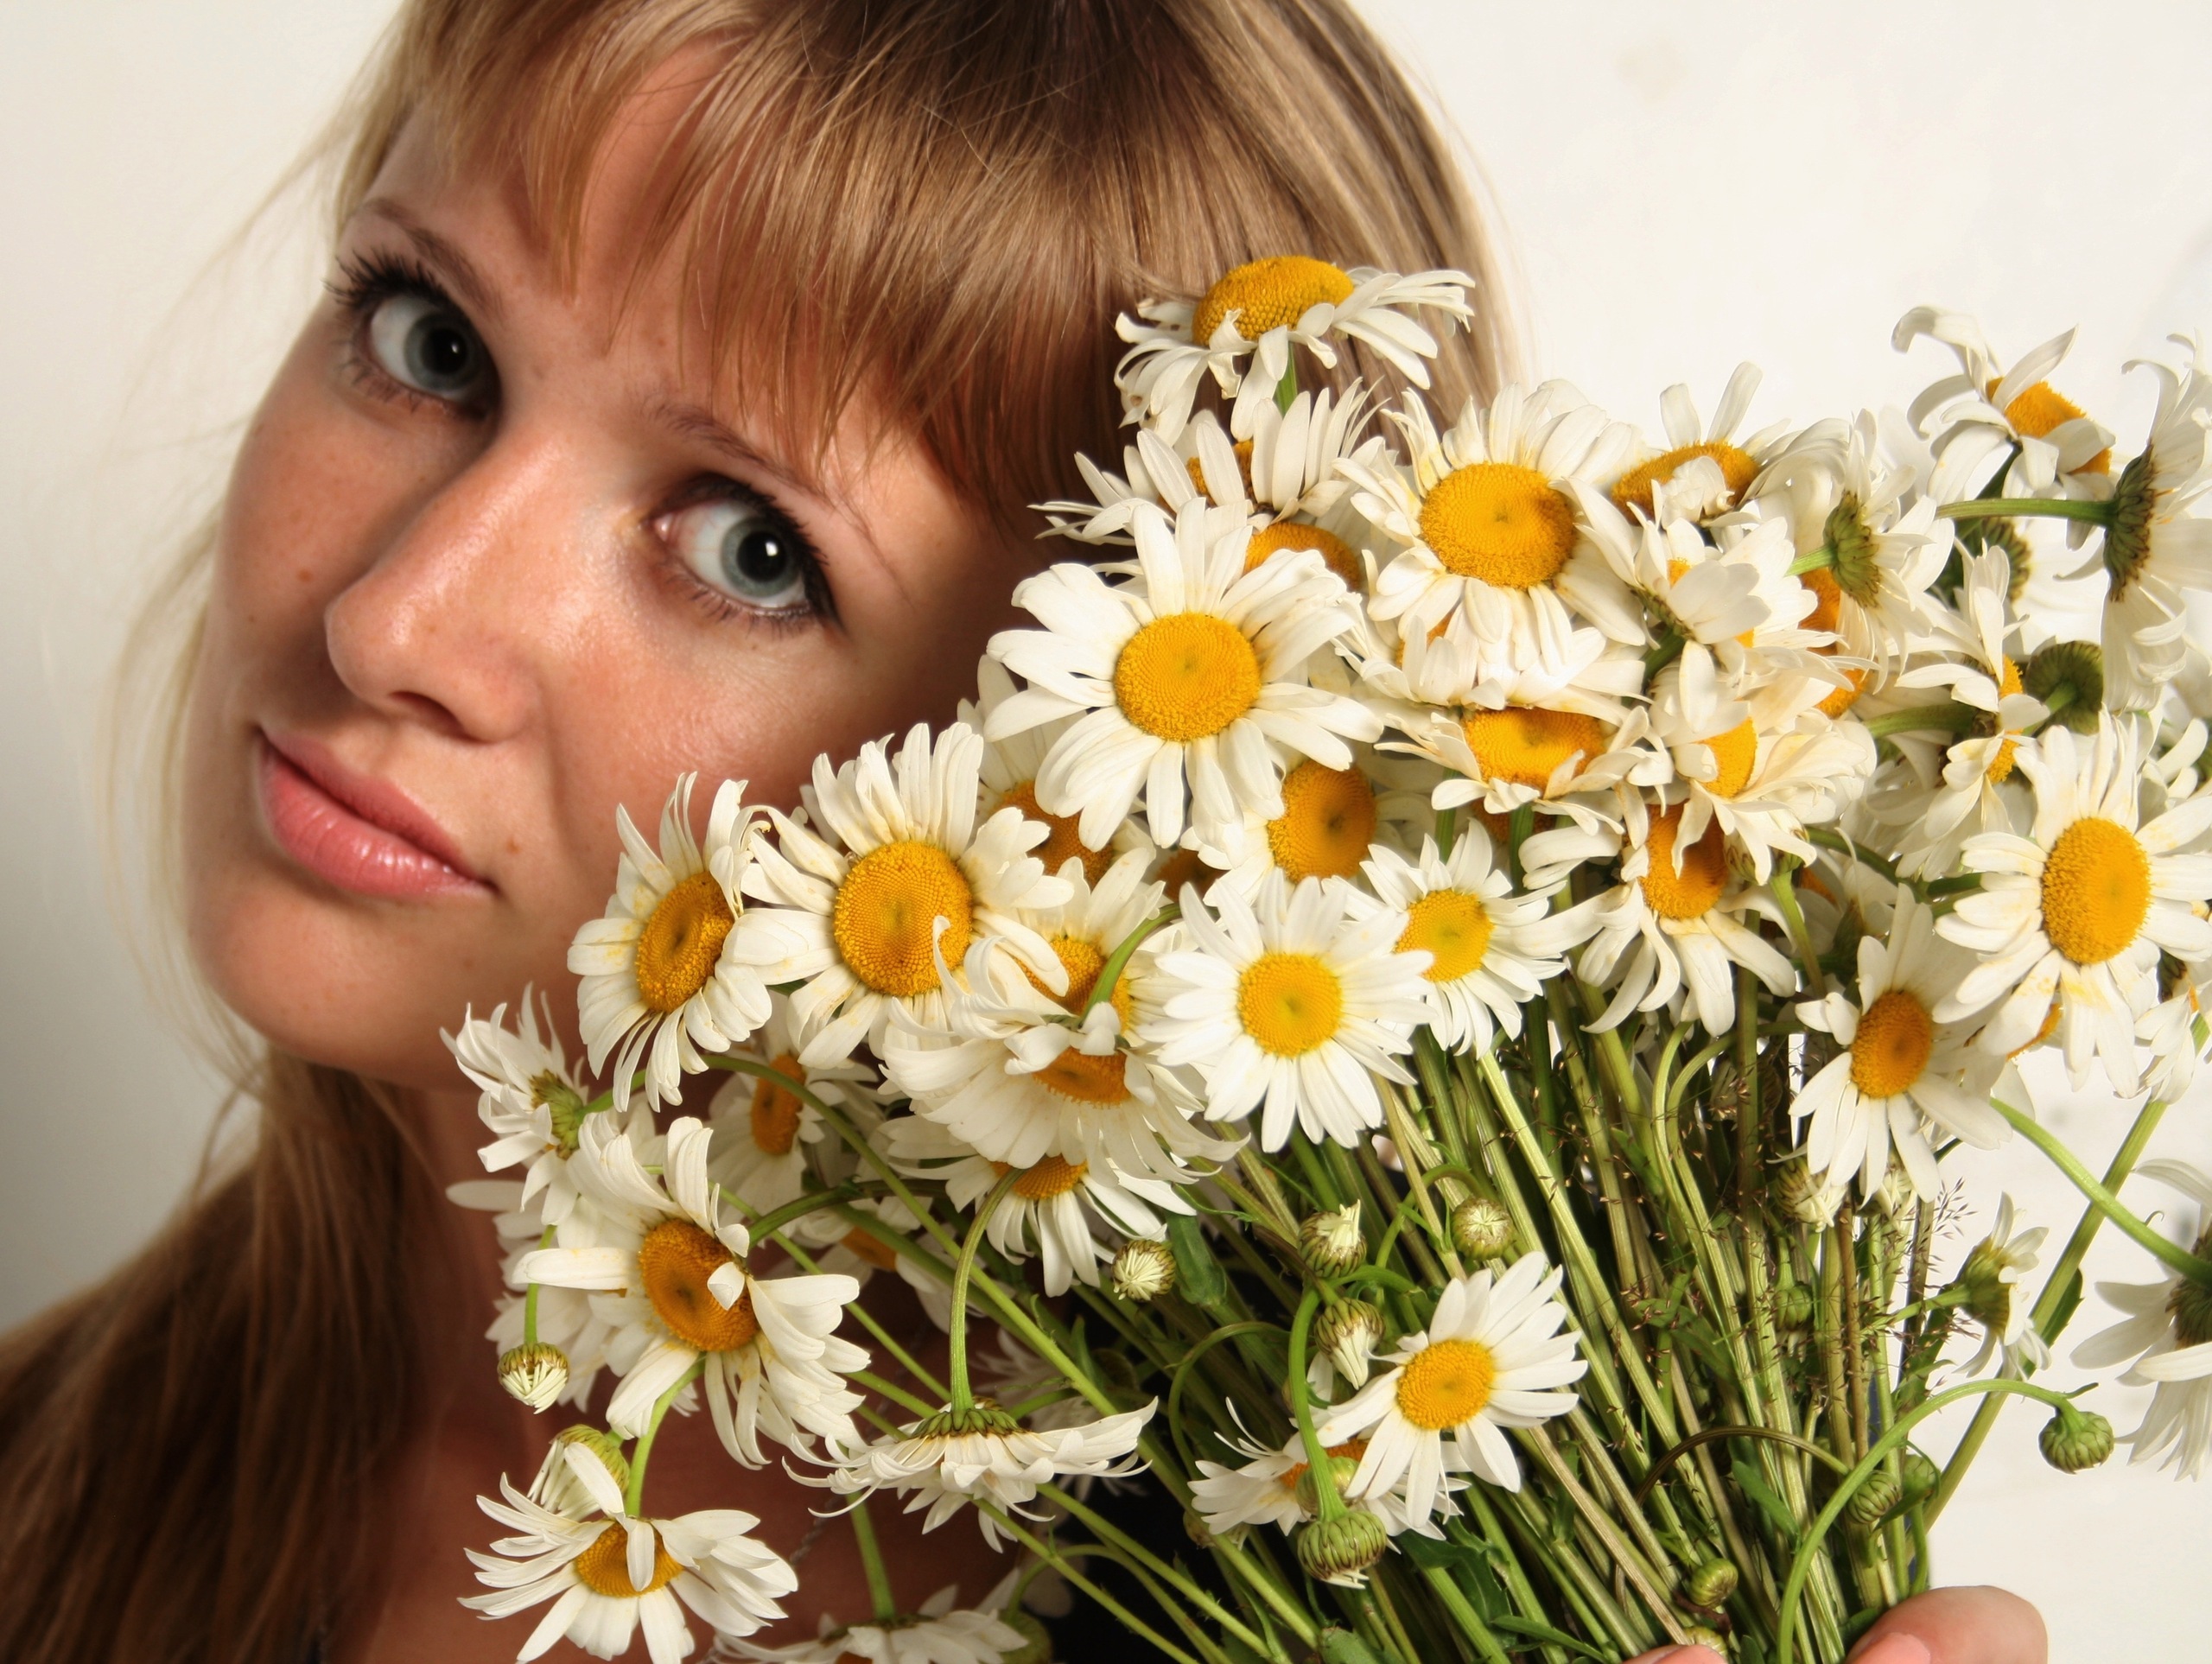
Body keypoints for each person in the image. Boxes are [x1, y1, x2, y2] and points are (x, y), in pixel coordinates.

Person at [0, 2, 2044, 1661]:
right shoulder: (41, 1487)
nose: (395, 621)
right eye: (428, 344)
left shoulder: (1370, 1623)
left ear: (1108, 803)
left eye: (748, 547)